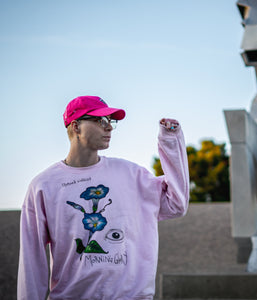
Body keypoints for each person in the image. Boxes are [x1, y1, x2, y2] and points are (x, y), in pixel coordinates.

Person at [17, 95, 190, 300]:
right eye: (100, 120)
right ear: (76, 127)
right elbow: (31, 259)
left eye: (110, 121)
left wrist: (171, 141)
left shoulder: (132, 174)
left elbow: (177, 204)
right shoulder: (44, 186)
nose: (108, 127)